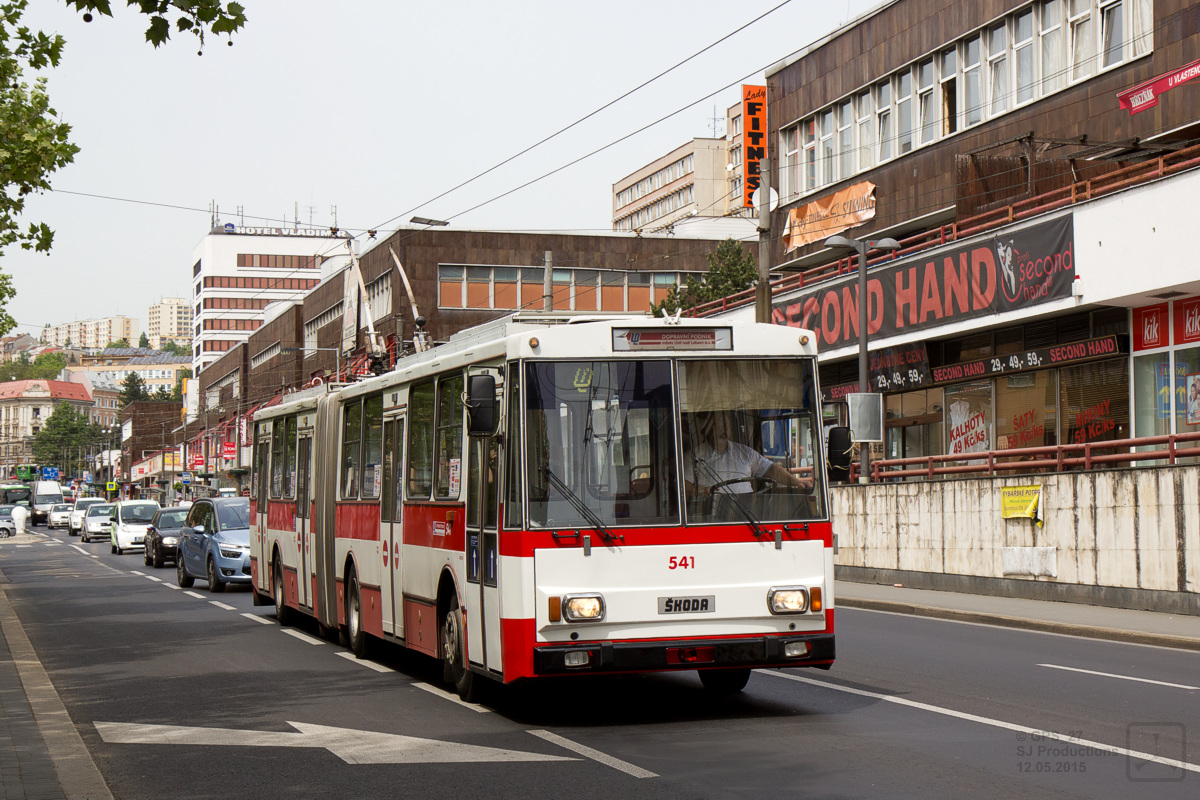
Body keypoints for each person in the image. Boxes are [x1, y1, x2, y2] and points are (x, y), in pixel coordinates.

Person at [686, 411, 813, 495]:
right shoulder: (694, 456)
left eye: (728, 423)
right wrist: (703, 490)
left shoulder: (744, 452)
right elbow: (682, 484)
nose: (726, 426)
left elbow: (772, 469)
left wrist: (797, 483)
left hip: (748, 517)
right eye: (721, 423)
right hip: (713, 520)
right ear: (709, 427)